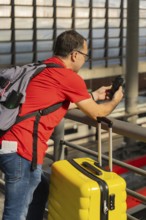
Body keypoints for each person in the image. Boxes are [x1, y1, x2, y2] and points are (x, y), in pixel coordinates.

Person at [0, 30, 123, 220]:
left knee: (41, 189)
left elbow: (53, 102)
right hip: (22, 151)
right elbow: (98, 113)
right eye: (85, 55)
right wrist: (115, 100)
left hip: (8, 143)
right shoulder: (69, 78)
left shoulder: (43, 68)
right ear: (75, 55)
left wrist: (95, 96)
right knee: (15, 213)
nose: (85, 60)